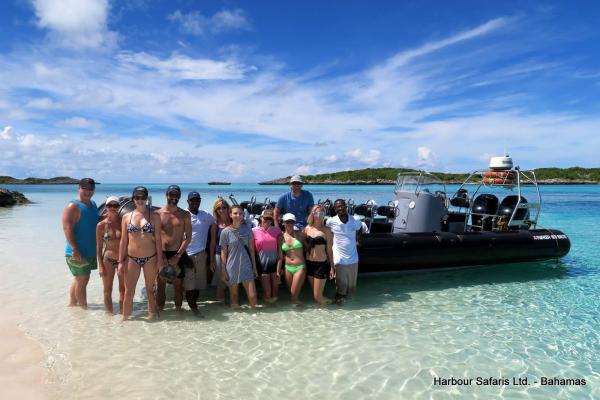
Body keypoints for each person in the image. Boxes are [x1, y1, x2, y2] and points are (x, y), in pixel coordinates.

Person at [119, 186, 165, 320]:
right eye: (137, 197)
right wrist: (121, 262)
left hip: (150, 258)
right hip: (132, 259)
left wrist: (160, 261)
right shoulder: (127, 217)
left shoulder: (155, 216)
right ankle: (125, 319)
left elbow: (158, 240)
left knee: (150, 291)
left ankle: (152, 318)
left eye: (143, 197)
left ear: (147, 198)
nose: (140, 200)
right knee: (129, 292)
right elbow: (123, 241)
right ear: (133, 199)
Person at [62, 178, 99, 309]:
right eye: (85, 188)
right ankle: (84, 311)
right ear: (79, 188)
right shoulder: (73, 206)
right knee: (83, 279)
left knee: (79, 279)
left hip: (89, 250)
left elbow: (94, 222)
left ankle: (72, 304)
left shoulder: (93, 204)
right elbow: (67, 228)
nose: (88, 191)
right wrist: (74, 249)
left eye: (91, 189)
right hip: (76, 251)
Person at [156, 185, 192, 312]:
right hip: (161, 254)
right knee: (160, 285)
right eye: (171, 195)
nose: (174, 197)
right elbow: (154, 237)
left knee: (178, 286)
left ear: (180, 197)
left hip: (177, 254)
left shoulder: (185, 215)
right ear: (166, 195)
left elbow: (188, 237)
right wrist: (162, 256)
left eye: (176, 195)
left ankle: (178, 312)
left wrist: (177, 256)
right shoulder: (158, 214)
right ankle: (160, 311)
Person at [220, 205, 259, 309]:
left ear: (243, 215)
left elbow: (251, 250)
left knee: (253, 296)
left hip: (246, 264)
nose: (238, 215)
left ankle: (255, 318)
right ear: (230, 215)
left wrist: (254, 267)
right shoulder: (225, 232)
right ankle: (237, 321)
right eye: (235, 213)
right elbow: (223, 252)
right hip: (231, 266)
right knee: (234, 297)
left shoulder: (248, 230)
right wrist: (223, 270)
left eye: (240, 213)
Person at [326, 199, 362, 304]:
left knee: (351, 289)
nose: (340, 208)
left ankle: (348, 310)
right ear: (335, 209)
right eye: (338, 207)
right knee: (341, 288)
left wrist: (358, 240)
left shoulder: (355, 220)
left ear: (346, 206)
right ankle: (338, 307)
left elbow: (359, 229)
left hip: (353, 259)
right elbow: (327, 232)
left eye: (342, 206)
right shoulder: (331, 221)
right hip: (339, 259)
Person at [184, 191, 214, 314]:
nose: (195, 202)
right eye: (192, 200)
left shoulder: (206, 215)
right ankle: (194, 309)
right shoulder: (183, 215)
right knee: (189, 285)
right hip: (186, 254)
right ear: (188, 202)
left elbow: (219, 223)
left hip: (201, 254)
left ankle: (193, 306)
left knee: (198, 284)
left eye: (197, 200)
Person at [95, 196, 124, 313]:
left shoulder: (124, 222)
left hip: (123, 260)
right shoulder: (101, 225)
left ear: (119, 207)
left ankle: (123, 315)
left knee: (123, 290)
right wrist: (100, 266)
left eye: (115, 205)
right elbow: (98, 246)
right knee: (107, 290)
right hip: (108, 260)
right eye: (109, 205)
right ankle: (109, 317)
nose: (112, 208)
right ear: (106, 207)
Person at [304, 205, 335, 305]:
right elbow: (301, 239)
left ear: (324, 215)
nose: (319, 216)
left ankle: (334, 304)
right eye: (316, 213)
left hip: (321, 265)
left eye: (321, 213)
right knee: (315, 293)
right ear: (312, 214)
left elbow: (330, 250)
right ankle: (322, 312)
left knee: (318, 296)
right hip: (309, 264)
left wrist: (332, 267)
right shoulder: (307, 228)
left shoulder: (326, 231)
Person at [252, 209, 283, 304]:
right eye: (265, 218)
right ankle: (268, 312)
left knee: (275, 292)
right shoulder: (253, 231)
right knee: (268, 292)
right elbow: (252, 251)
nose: (267, 220)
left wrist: (278, 270)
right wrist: (254, 268)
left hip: (275, 266)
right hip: (262, 266)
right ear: (261, 218)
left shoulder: (277, 230)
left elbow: (280, 253)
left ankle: (274, 314)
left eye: (270, 218)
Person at [209, 198, 232, 303]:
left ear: (228, 208)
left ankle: (233, 302)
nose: (221, 210)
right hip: (219, 255)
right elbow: (212, 243)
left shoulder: (234, 221)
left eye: (224, 207)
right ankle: (221, 303)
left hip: (233, 255)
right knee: (220, 281)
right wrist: (211, 260)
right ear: (216, 210)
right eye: (218, 208)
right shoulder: (215, 224)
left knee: (233, 280)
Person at [281, 213, 306, 304]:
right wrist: (278, 270)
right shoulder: (281, 237)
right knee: (292, 294)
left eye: (291, 222)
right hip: (287, 267)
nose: (289, 224)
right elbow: (280, 255)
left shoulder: (300, 234)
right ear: (283, 223)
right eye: (287, 222)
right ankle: (298, 308)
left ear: (294, 223)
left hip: (299, 267)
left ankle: (297, 314)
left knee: (293, 295)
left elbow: (309, 246)